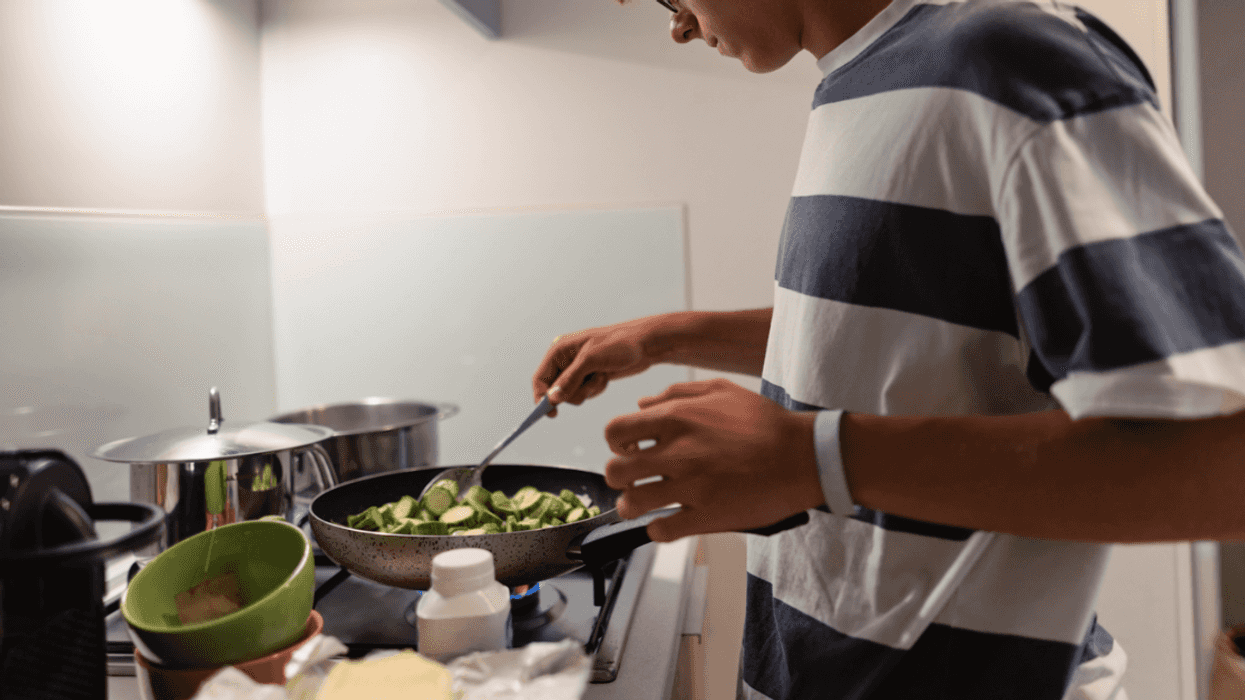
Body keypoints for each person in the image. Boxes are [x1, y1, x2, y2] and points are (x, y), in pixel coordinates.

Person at [530, 0, 1245, 698]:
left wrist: (807, 458)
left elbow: (1219, 465)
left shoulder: (1008, 54)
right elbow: (899, 335)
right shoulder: (857, 80)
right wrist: (665, 337)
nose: (678, 26)